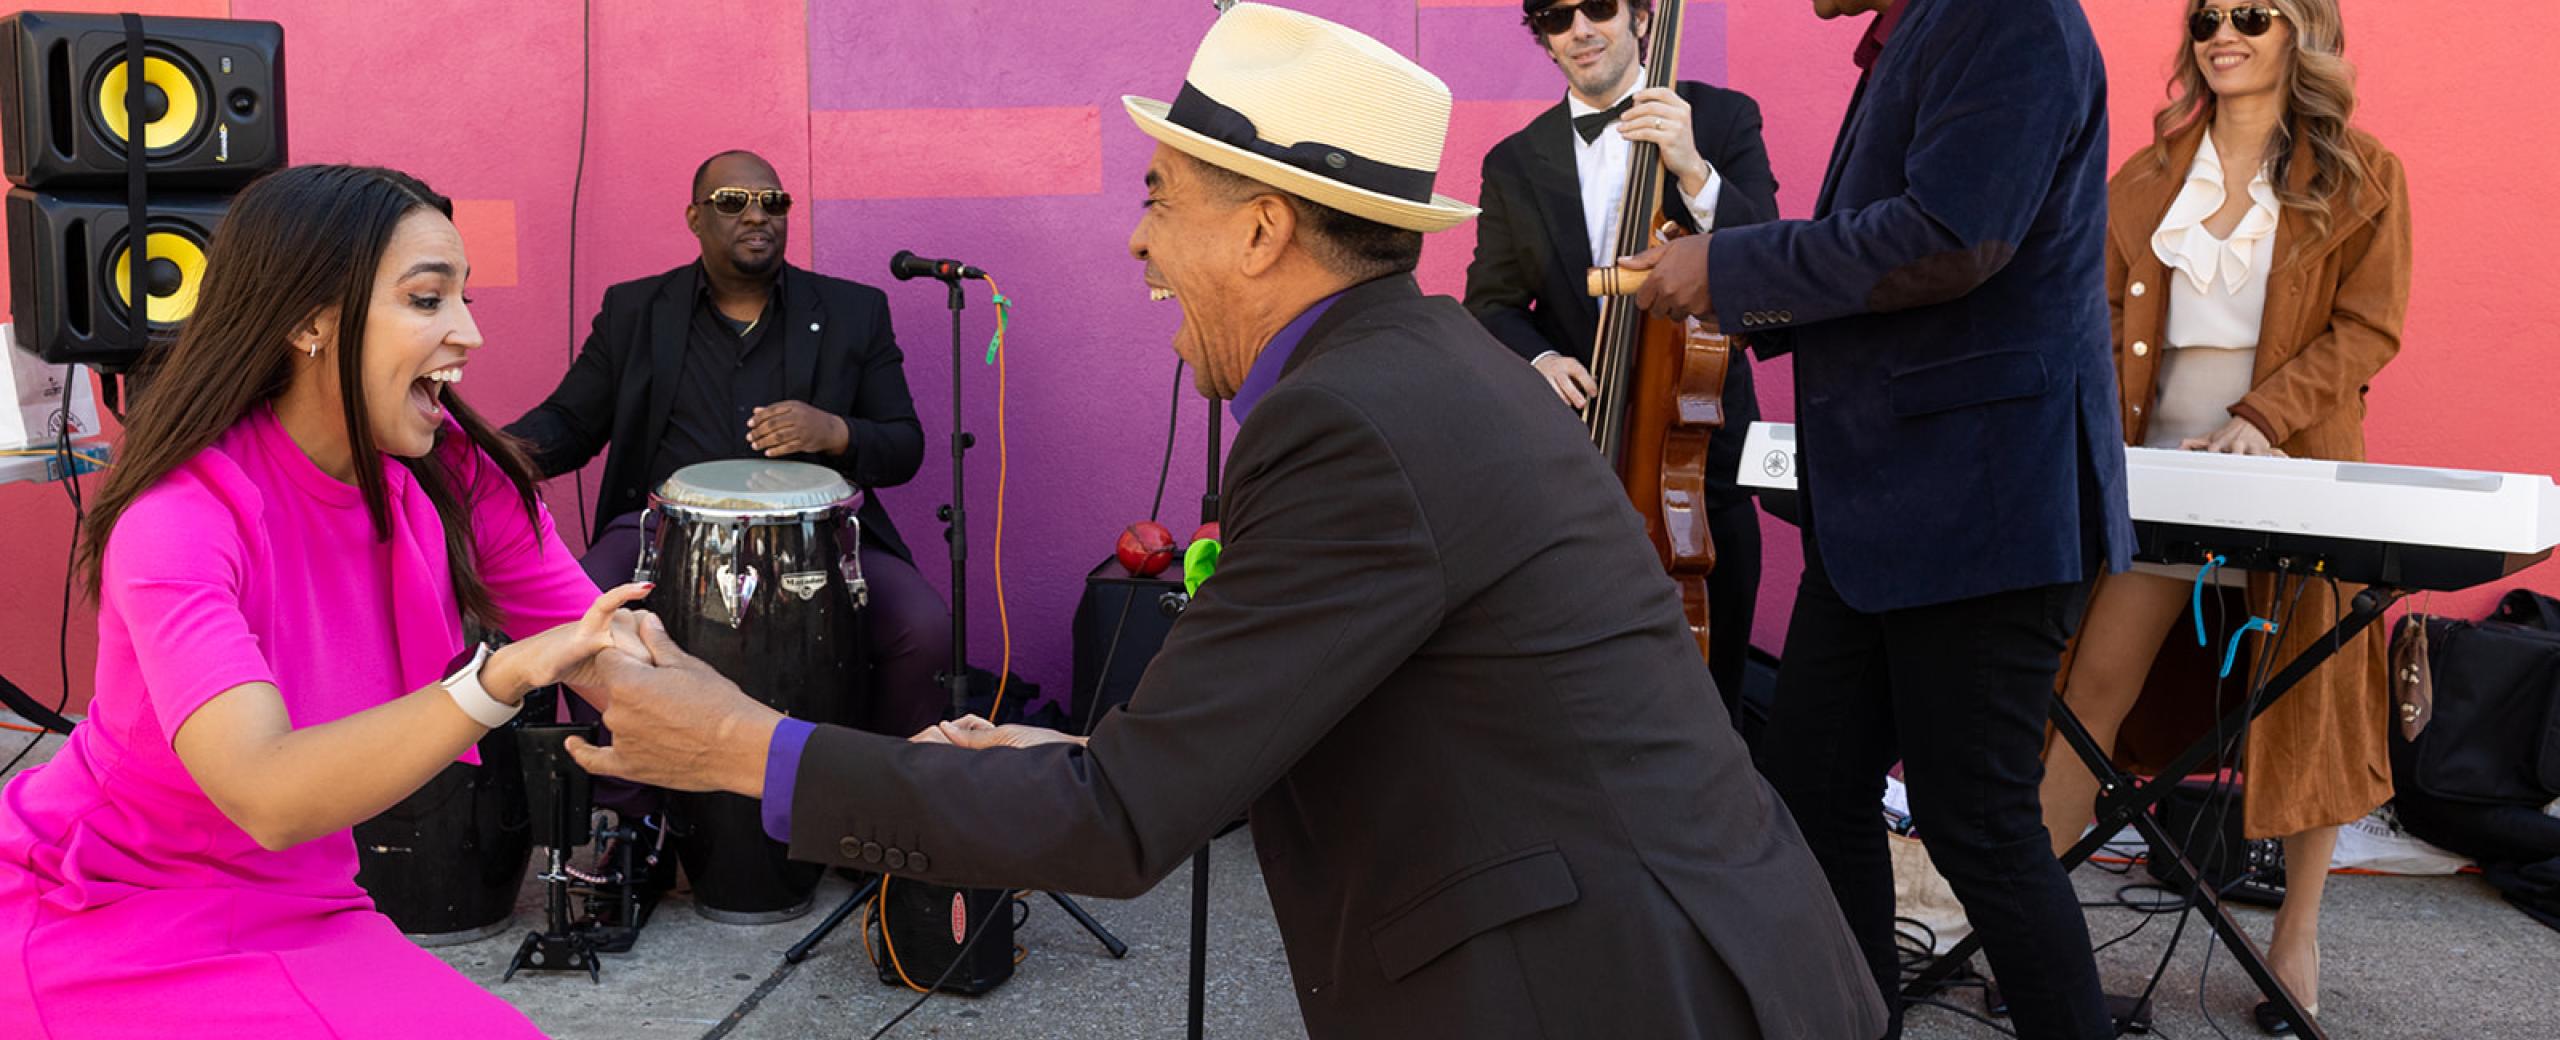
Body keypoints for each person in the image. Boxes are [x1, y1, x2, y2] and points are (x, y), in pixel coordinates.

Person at [561, 6, 1884, 1038]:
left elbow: (1124, 823)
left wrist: (748, 748)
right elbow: (1349, 710)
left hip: (1626, 994)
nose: (1136, 247)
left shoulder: (1349, 419)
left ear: (1259, 231)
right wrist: (1078, 742)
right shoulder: (1408, 368)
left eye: (1154, 200)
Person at [0, 164, 644, 1037]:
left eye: (464, 298)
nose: (470, 333)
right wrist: (497, 682)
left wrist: (827, 762)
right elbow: (267, 792)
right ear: (309, 319)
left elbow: (620, 668)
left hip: (305, 897)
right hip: (103, 907)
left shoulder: (454, 469)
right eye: (427, 300)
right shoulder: (182, 516)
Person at [1617, 0, 2133, 1035]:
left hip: (1982, 503)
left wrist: (1727, 267)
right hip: (1895, 505)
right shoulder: (1935, 26)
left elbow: (1949, 237)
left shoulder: (2011, 18)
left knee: (1974, 819)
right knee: (1810, 785)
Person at [2036, 3, 2408, 1033]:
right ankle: (2031, 929)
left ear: (2304, 32)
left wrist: (2260, 418)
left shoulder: (2365, 174)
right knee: (2086, 686)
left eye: (2251, 14)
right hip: (2156, 486)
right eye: (2205, 16)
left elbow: (2366, 328)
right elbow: (2092, 317)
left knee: (2305, 707)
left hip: (2294, 479)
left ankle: (2295, 927)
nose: (2221, 32)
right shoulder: (2147, 178)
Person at [505, 149, 949, 741]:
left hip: (817, 541)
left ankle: (884, 785)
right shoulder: (636, 312)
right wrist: (484, 457)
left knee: (923, 628)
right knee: (586, 619)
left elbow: (904, 445)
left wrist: (834, 431)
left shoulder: (852, 312)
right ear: (695, 218)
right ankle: (625, 807)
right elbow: (570, 421)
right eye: (732, 202)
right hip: (657, 536)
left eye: (773, 202)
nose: (756, 216)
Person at [1464, 0, 1781, 719]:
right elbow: (1490, 304)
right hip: (1581, 455)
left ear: (1643, 17)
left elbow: (1771, 267)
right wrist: (1539, 358)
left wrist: (1693, 170)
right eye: (1554, 16)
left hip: (1703, 460)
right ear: (1542, 39)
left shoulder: (1723, 120)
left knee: (1714, 684)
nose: (1580, 29)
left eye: (1600, 7)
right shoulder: (1514, 161)